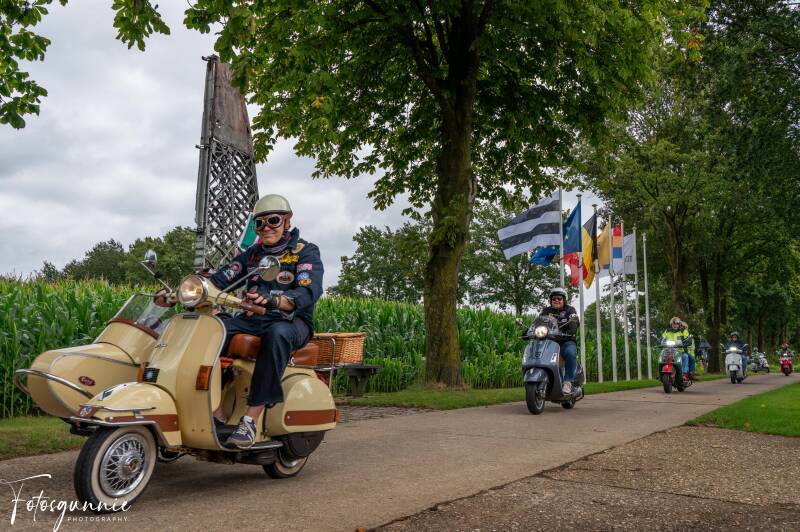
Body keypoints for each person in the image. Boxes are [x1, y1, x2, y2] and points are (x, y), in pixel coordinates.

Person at [208, 194, 324, 448]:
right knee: (212, 331)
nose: (266, 227)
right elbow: (221, 278)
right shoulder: (252, 255)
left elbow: (309, 290)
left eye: (273, 220)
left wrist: (277, 300)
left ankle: (250, 419)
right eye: (260, 223)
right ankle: (215, 407)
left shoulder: (304, 252)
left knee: (277, 334)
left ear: (287, 220)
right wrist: (186, 290)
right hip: (253, 318)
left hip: (292, 320)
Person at [541, 287, 579, 395]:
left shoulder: (570, 310)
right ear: (550, 300)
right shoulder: (546, 311)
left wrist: (572, 329)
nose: (556, 300)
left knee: (570, 353)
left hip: (566, 340)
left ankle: (568, 382)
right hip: (550, 342)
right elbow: (538, 322)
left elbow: (574, 320)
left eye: (559, 298)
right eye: (554, 299)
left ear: (564, 300)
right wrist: (529, 330)